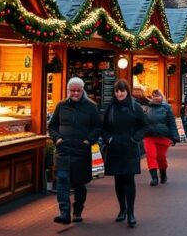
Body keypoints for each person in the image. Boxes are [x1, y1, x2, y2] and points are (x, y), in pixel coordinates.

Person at [47, 77, 102, 224]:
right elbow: (52, 126)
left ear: (83, 90)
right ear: (68, 91)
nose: (75, 93)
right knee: (62, 181)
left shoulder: (91, 106)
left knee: (79, 183)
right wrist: (57, 139)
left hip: (81, 151)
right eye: (73, 91)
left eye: (78, 90)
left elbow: (97, 127)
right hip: (63, 150)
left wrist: (88, 141)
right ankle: (65, 212)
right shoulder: (61, 105)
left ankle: (78, 210)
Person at [101, 79, 149, 227]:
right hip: (114, 148)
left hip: (130, 148)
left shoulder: (135, 107)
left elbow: (144, 126)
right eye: (117, 91)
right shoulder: (110, 107)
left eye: (122, 90)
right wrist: (109, 139)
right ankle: (122, 209)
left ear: (127, 91)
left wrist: (135, 138)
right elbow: (103, 127)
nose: (119, 93)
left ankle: (131, 213)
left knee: (129, 180)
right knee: (118, 181)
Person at [143, 89, 178, 186]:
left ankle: (163, 173)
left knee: (161, 157)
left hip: (163, 136)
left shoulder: (167, 108)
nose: (155, 97)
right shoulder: (147, 108)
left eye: (158, 95)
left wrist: (174, 137)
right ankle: (154, 178)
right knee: (151, 155)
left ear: (162, 96)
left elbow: (172, 123)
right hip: (149, 136)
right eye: (154, 96)